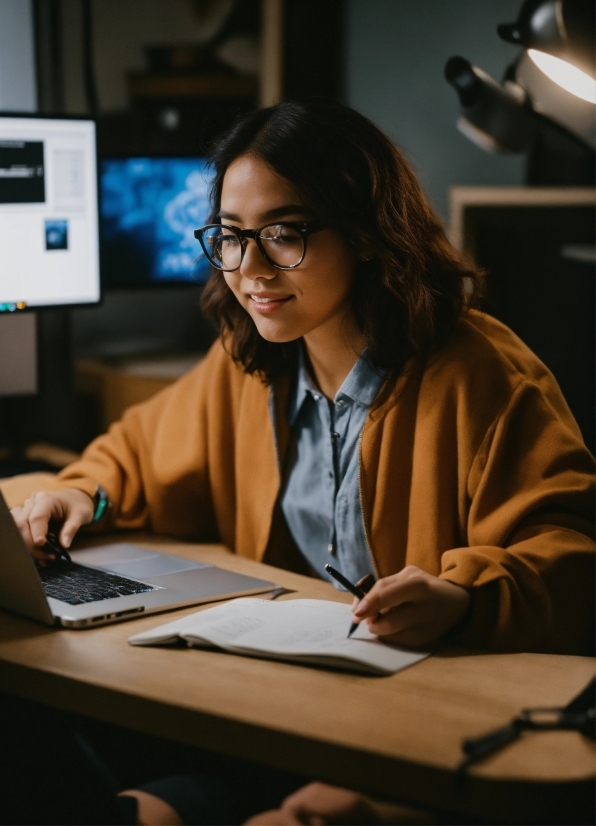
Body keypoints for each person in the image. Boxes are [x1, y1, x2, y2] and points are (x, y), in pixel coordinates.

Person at [10, 99, 595, 824]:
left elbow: (571, 556)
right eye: (229, 236)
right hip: (275, 712)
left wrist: (465, 598)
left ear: (368, 233)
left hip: (412, 737)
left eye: (283, 234)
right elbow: (131, 458)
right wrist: (82, 495)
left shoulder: (485, 376)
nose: (249, 268)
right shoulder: (252, 362)